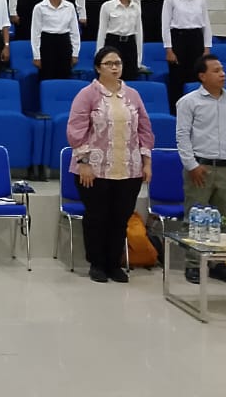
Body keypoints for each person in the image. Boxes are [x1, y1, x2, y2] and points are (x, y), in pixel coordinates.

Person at [66, 46, 154, 283]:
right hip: (94, 169)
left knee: (120, 218)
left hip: (128, 169)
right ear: (98, 68)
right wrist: (84, 162)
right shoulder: (87, 94)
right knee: (97, 217)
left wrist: (146, 162)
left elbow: (145, 129)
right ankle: (97, 263)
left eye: (118, 63)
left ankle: (114, 264)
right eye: (109, 64)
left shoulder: (133, 95)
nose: (115, 68)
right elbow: (76, 130)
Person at [175, 54, 226, 285]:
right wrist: (191, 165)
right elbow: (182, 136)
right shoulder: (188, 102)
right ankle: (194, 264)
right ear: (202, 76)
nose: (222, 74)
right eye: (216, 70)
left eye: (222, 69)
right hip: (200, 168)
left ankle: (221, 264)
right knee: (195, 218)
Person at [162, 0, 212, 105]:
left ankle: (197, 106)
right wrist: (169, 49)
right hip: (178, 38)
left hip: (196, 38)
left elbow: (206, 24)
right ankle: (176, 108)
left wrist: (207, 47)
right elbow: (165, 26)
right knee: (177, 77)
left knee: (196, 75)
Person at [31, 0, 80, 81]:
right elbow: (35, 33)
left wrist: (75, 53)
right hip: (47, 43)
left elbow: (75, 32)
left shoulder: (70, 7)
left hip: (64, 43)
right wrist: (36, 56)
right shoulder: (40, 7)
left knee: (64, 77)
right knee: (47, 76)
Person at [97, 0, 144, 81]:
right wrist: (99, 54)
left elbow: (139, 32)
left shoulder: (136, 7)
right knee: (111, 77)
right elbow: (102, 31)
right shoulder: (107, 6)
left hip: (130, 44)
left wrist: (139, 57)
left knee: (130, 77)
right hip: (113, 42)